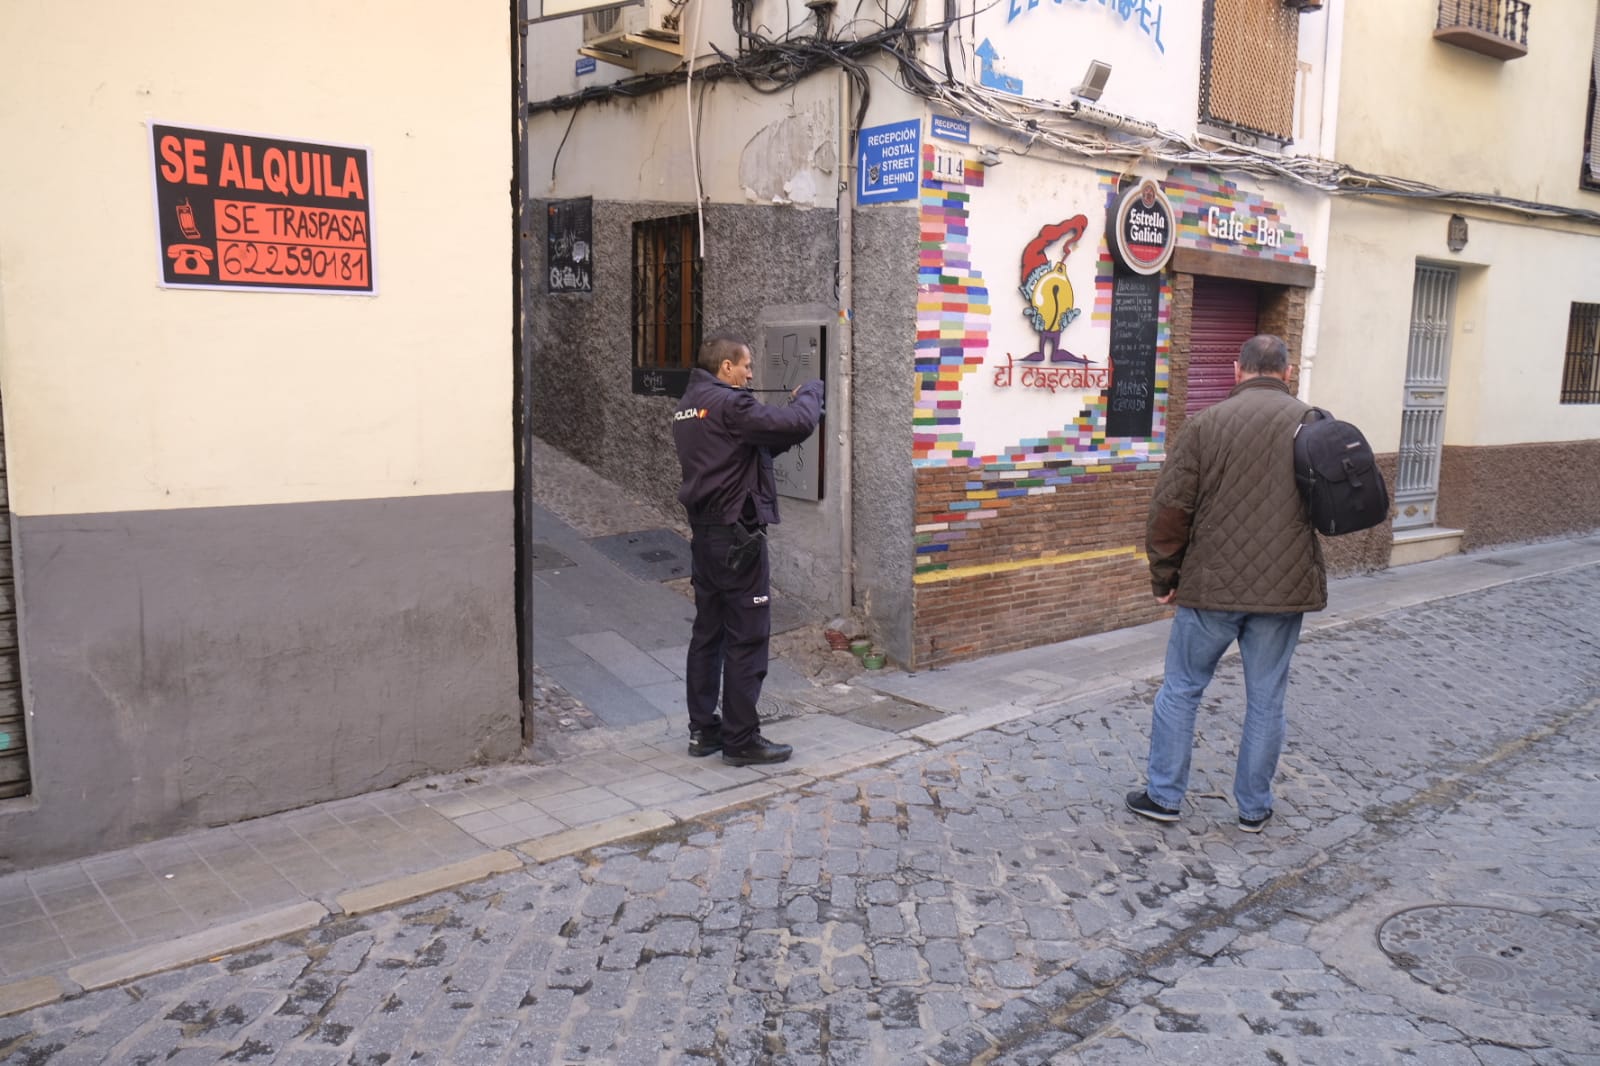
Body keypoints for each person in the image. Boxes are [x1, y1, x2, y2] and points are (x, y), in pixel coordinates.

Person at [1126, 334, 1326, 833]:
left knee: (1182, 688)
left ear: (1237, 371)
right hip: (1283, 588)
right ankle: (1253, 808)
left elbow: (1170, 510)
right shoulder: (1312, 424)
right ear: (1288, 371)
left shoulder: (1205, 424)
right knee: (1266, 698)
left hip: (1210, 586)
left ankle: (1164, 796)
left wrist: (1163, 576)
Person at [672, 333, 824, 765]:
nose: (752, 374)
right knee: (748, 637)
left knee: (708, 634)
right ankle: (741, 740)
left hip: (705, 538)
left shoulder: (688, 408)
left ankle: (704, 731)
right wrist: (811, 392)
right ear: (726, 368)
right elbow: (795, 423)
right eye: (746, 366)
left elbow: (745, 450)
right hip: (739, 539)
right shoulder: (731, 404)